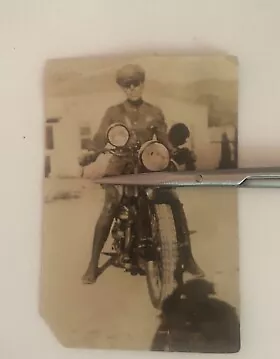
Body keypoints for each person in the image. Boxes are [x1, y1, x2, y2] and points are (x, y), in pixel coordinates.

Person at [79, 64, 203, 283]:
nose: (132, 88)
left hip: (148, 163)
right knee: (110, 207)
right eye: (127, 85)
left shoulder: (154, 112)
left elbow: (164, 138)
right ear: (122, 88)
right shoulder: (114, 112)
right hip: (121, 166)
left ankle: (189, 257)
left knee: (173, 201)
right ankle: (92, 264)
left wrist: (175, 152)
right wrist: (92, 152)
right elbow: (100, 138)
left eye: (136, 83)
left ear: (143, 84)